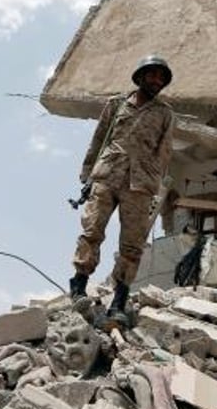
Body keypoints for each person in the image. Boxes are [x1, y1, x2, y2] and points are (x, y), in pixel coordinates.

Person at [69, 55, 175, 329]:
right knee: (91, 231)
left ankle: (119, 300)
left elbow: (163, 154)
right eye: (152, 75)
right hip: (106, 176)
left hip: (140, 186)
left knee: (131, 245)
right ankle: (79, 287)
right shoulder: (116, 105)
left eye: (161, 78)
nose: (156, 81)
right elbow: (98, 140)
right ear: (139, 76)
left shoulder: (165, 114)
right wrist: (87, 174)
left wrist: (155, 187)